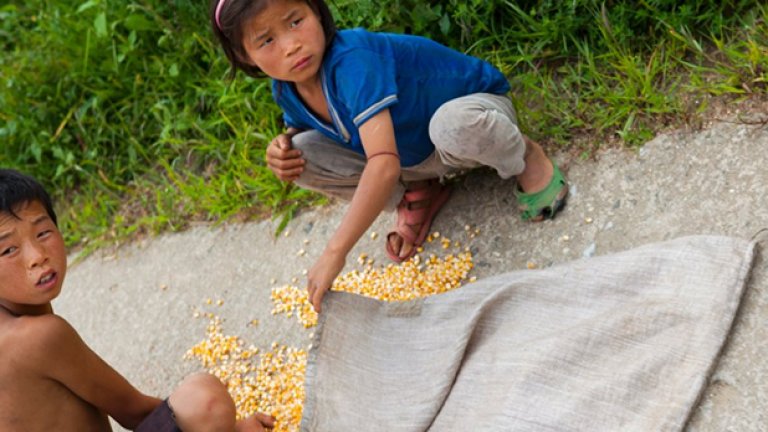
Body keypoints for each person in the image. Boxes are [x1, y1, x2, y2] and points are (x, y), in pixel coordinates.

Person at [210, 0, 568, 312]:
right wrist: (283, 145)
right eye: (267, 40)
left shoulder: (353, 62)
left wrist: (336, 251)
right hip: (415, 152)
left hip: (473, 116)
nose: (291, 46)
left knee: (451, 125)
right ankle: (420, 189)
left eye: (295, 21)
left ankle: (524, 155)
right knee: (300, 155)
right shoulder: (286, 88)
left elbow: (383, 164)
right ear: (245, 55)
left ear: (316, 10)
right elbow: (304, 127)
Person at [0, 169, 274, 432]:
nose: (37, 255)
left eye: (43, 233)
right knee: (204, 402)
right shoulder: (40, 337)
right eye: (9, 250)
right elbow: (134, 412)